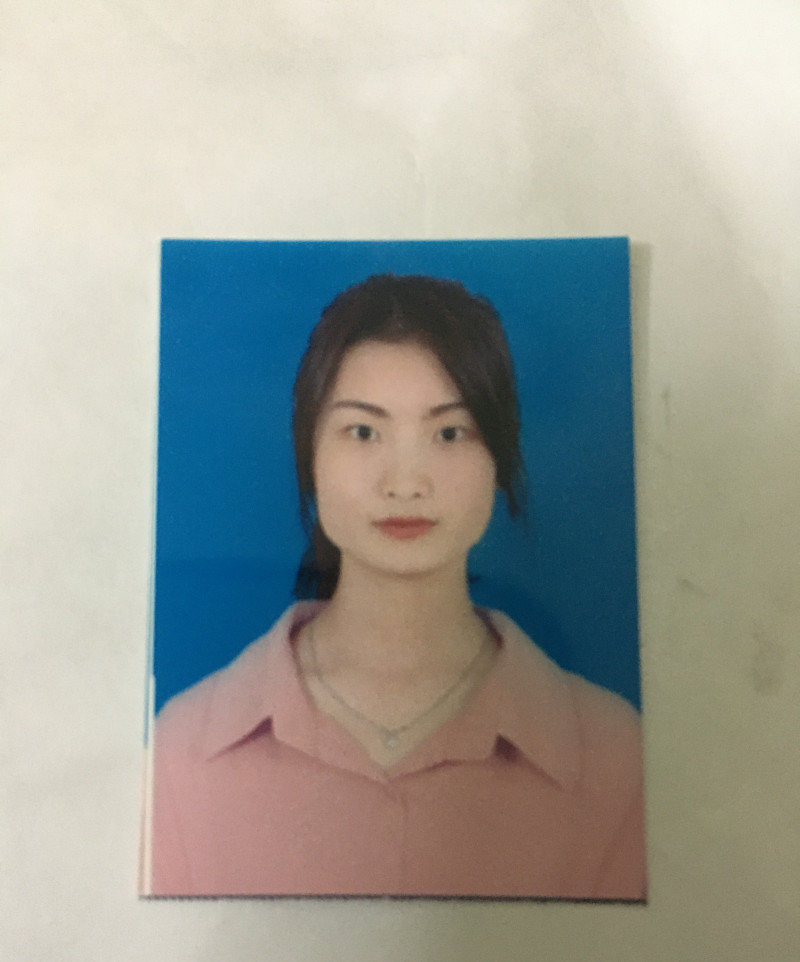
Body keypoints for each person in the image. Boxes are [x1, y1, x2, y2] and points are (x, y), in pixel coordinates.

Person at [148, 273, 646, 899]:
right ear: (310, 457)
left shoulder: (613, 753)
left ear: (499, 460)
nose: (406, 483)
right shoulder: (184, 746)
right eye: (363, 432)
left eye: (449, 433)